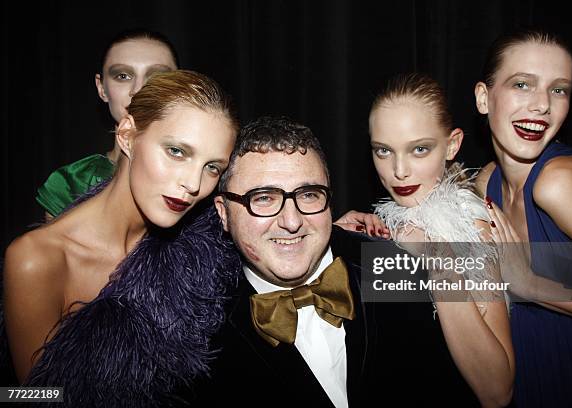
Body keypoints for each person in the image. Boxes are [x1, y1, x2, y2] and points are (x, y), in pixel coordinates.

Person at [3, 70, 241, 406]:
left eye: (212, 167)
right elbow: (28, 397)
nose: (193, 183)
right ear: (127, 134)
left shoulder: (202, 244)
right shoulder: (37, 259)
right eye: (176, 151)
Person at [473, 28, 572, 406]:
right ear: (484, 98)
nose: (542, 106)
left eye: (559, 89)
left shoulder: (557, 181)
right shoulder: (488, 182)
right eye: (522, 84)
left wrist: (531, 284)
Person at [204, 116, 383, 408]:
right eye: (262, 198)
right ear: (223, 213)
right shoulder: (198, 330)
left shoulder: (385, 262)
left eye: (309, 194)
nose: (291, 221)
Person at [369, 72, 514, 407]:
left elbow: (497, 390)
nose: (399, 170)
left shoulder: (469, 225)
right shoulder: (394, 216)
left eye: (419, 149)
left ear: (452, 145)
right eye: (383, 151)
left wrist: (438, 259)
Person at [35, 29, 179, 219]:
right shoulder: (71, 184)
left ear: (181, 86)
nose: (138, 90)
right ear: (101, 88)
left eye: (157, 77)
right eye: (123, 76)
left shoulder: (203, 179)